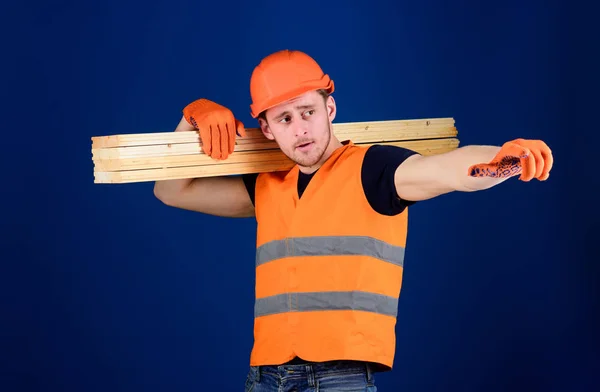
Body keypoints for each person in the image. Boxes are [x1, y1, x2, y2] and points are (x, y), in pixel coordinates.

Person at [153, 49, 553, 391]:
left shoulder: (374, 170)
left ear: (330, 108)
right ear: (267, 129)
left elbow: (446, 170)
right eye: (285, 119)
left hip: (339, 378)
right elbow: (171, 191)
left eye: (308, 111)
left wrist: (503, 161)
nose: (301, 129)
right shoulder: (268, 185)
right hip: (266, 375)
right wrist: (191, 118)